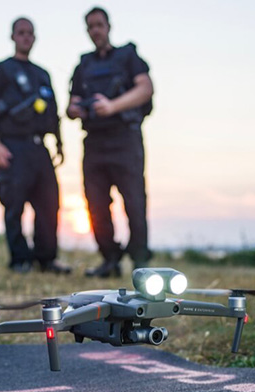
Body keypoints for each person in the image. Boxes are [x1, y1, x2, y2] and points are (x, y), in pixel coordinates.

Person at [66, 7, 154, 278]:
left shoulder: (128, 56)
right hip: (94, 142)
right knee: (95, 204)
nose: (96, 31)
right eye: (90, 26)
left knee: (134, 202)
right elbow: (70, 106)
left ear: (108, 26)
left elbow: (145, 88)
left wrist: (112, 106)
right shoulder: (83, 65)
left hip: (125, 139)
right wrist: (77, 109)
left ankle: (140, 260)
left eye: (99, 25)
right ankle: (110, 259)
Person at [0, 17, 70, 274]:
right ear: (12, 36)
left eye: (30, 33)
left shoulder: (42, 74)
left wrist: (59, 143)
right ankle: (20, 259)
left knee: (49, 204)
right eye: (21, 33)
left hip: (39, 148)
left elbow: (53, 113)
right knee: (14, 204)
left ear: (35, 37)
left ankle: (46, 258)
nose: (26, 37)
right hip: (12, 146)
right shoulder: (0, 70)